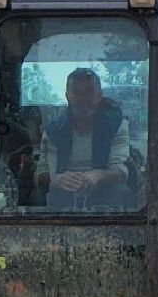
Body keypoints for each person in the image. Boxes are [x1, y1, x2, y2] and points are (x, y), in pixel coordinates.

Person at [35, 68, 133, 209]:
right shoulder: (53, 131)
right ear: (67, 96)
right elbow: (40, 174)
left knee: (123, 192)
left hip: (104, 192)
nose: (83, 99)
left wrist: (99, 175)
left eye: (89, 92)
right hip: (63, 193)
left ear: (100, 95)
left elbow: (121, 172)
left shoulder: (117, 126)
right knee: (38, 196)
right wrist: (57, 180)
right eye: (76, 92)